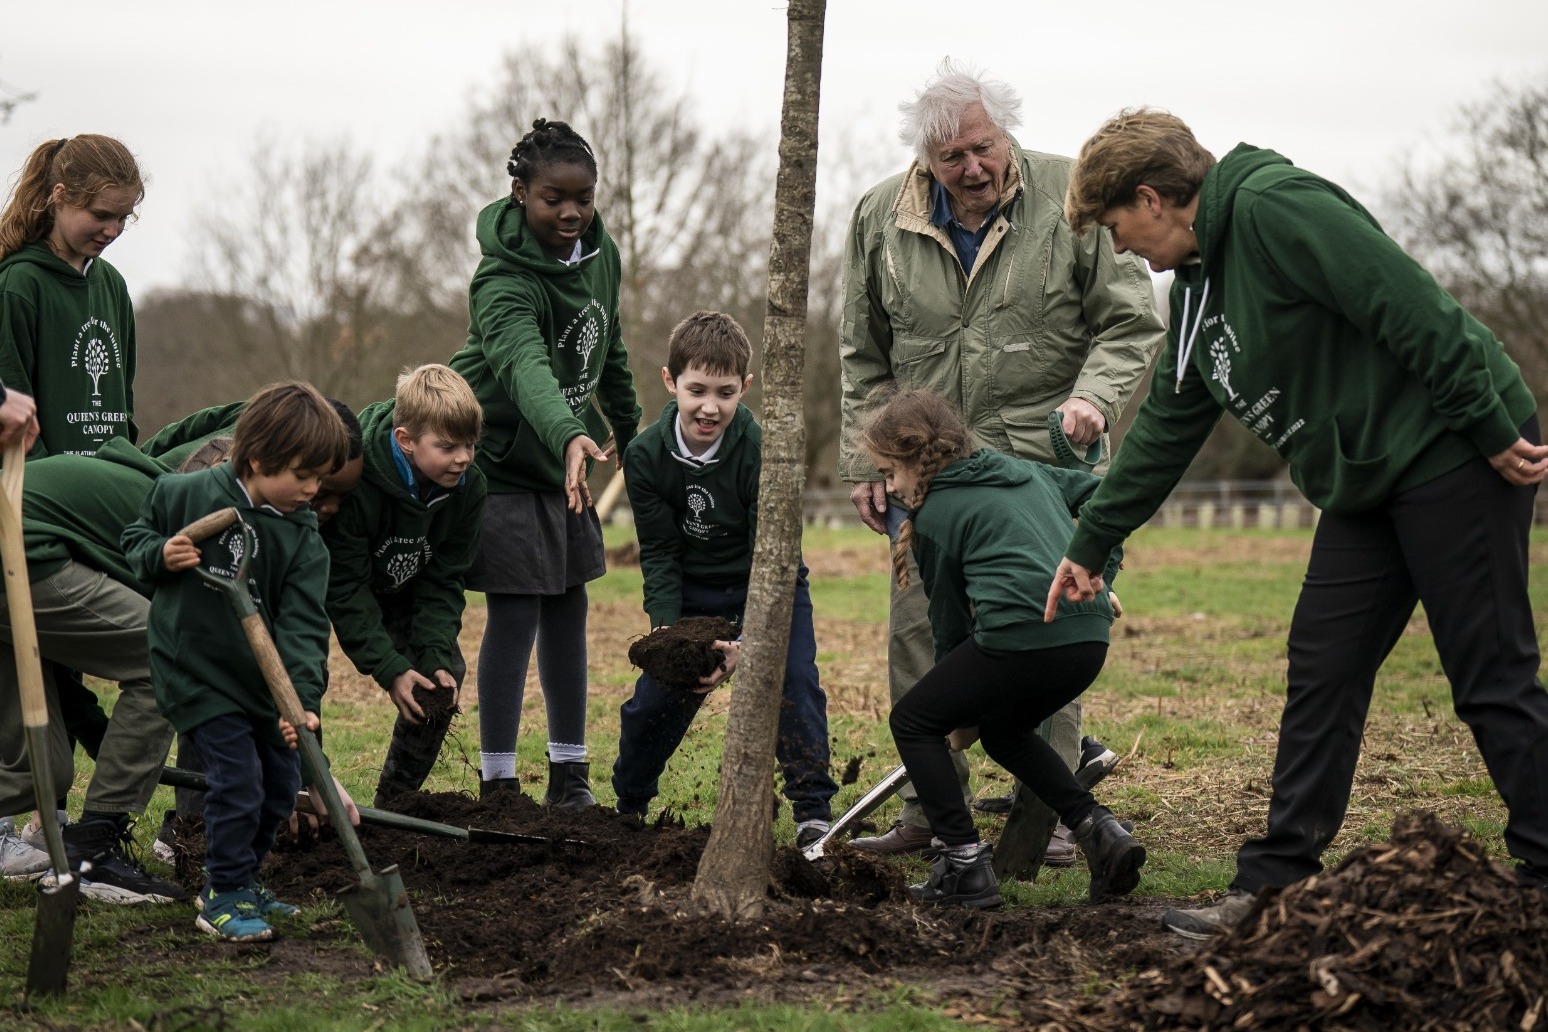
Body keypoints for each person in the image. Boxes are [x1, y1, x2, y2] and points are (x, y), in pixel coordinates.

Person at [1047, 108, 1548, 938]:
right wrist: (1092, 541)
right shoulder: (1199, 289)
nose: (1121, 247)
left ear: (1153, 196)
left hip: (1455, 450)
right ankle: (1274, 890)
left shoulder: (1278, 209)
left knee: (1489, 671)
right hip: (1363, 483)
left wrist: (1490, 425)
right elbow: (1171, 423)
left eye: (1116, 228)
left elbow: (1409, 305)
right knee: (1323, 666)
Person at [838, 60, 1165, 861]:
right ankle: (926, 809)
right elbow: (861, 353)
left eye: (982, 148)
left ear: (1004, 135)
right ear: (926, 159)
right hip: (924, 467)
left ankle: (1045, 819)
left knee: (1038, 628)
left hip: (1037, 466)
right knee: (921, 625)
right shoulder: (880, 216)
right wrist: (867, 463)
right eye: (951, 159)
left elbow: (1129, 324)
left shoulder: (1071, 198)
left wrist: (1093, 398)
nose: (972, 169)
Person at [858, 386, 1144, 909]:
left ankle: (963, 865)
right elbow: (1102, 499)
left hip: (1020, 639)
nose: (889, 487)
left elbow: (948, 630)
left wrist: (948, 715)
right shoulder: (1022, 470)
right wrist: (1102, 565)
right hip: (1088, 640)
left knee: (912, 721)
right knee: (1004, 732)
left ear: (917, 461)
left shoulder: (935, 518)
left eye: (888, 472)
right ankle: (1100, 832)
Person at [449, 118, 640, 809]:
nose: (570, 212)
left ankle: (570, 775)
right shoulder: (501, 282)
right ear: (520, 192)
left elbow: (606, 344)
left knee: (570, 602)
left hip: (566, 460)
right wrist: (567, 433)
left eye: (583, 198)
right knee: (518, 609)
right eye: (552, 197)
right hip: (500, 457)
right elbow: (525, 367)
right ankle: (498, 781)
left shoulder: (599, 253)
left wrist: (631, 426)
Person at [122, 381, 351, 943]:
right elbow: (135, 541)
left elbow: (302, 626)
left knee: (278, 787)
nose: (313, 489)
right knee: (239, 782)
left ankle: (245, 880)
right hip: (194, 667)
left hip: (262, 682)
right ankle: (221, 892)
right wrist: (160, 555)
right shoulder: (187, 495)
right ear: (256, 459)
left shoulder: (302, 535)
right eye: (302, 475)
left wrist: (300, 705)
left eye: (320, 477)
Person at [611, 311, 839, 845]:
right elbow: (661, 554)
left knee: (796, 685)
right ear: (671, 382)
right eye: (696, 390)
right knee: (654, 701)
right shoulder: (644, 456)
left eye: (725, 391)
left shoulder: (763, 450)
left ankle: (812, 814)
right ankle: (628, 805)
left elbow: (774, 554)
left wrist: (747, 642)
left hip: (770, 585)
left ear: (746, 388)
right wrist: (669, 635)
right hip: (692, 593)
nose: (709, 406)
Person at [0, 437, 186, 903]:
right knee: (164, 654)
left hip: (22, 556)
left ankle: (91, 844)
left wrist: (110, 744)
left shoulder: (129, 487)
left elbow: (61, 675)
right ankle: (96, 849)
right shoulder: (171, 518)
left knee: (38, 771)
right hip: (16, 552)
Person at [323, 364, 487, 808]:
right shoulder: (357, 484)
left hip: (406, 588)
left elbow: (444, 579)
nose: (463, 458)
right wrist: (390, 668)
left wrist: (433, 656)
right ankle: (305, 793)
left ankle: (395, 805)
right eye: (448, 446)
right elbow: (344, 588)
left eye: (471, 445)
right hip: (333, 583)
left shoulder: (469, 490)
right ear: (405, 440)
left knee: (440, 683)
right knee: (305, 677)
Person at [0, 135, 143, 457]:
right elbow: (10, 415)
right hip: (41, 496)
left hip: (107, 487)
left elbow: (124, 401)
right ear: (60, 196)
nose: (113, 230)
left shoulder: (112, 284)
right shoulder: (19, 284)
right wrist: (55, 487)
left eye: (122, 218)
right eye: (101, 215)